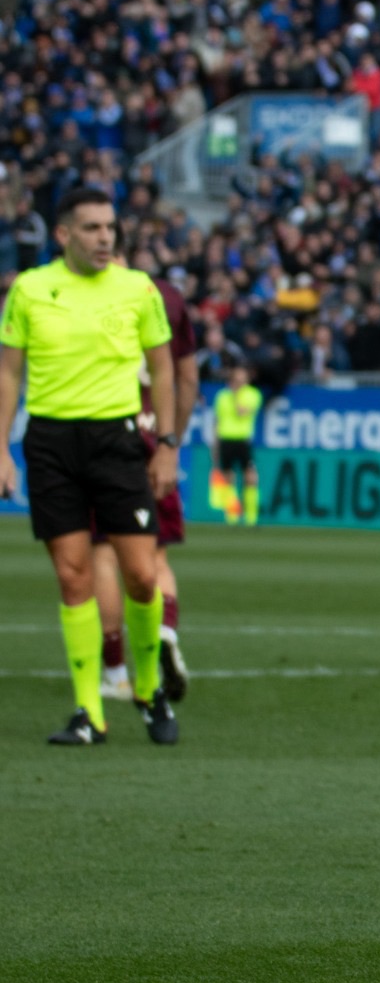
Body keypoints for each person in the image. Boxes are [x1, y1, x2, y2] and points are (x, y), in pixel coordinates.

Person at [0, 187, 180, 744]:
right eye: (93, 228)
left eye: (110, 227)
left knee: (142, 575)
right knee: (73, 575)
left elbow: (164, 369)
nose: (106, 238)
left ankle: (147, 689)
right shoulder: (30, 289)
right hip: (50, 443)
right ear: (63, 235)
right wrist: (1, 447)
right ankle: (89, 712)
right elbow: (8, 372)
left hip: (118, 440)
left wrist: (168, 444)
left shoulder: (138, 289)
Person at [96, 254, 200, 704]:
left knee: (104, 554)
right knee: (155, 555)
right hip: (155, 435)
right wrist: (171, 441)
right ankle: (166, 632)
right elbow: (187, 378)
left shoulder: (90, 293)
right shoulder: (168, 297)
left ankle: (116, 672)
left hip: (106, 431)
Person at [211, 363, 263, 525]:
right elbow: (217, 422)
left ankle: (251, 517)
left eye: (242, 379)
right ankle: (232, 515)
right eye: (236, 379)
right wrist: (215, 446)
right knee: (228, 477)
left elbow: (242, 412)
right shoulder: (222, 396)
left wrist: (235, 396)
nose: (239, 382)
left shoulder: (253, 395)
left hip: (243, 440)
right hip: (226, 439)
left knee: (250, 476)